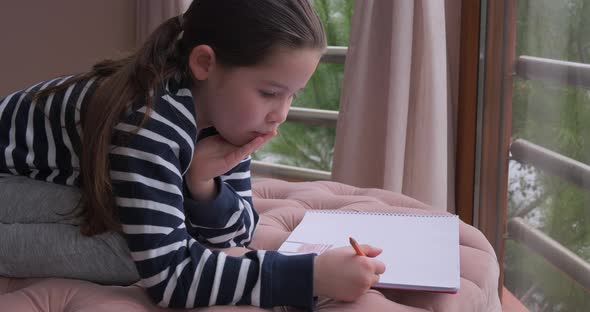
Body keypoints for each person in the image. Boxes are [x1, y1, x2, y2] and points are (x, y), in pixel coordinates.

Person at [0, 0, 386, 310]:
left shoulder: (225, 111)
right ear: (204, 63)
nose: (280, 115)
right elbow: (169, 278)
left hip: (46, 178)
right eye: (269, 93)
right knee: (129, 252)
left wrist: (202, 185)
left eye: (292, 96)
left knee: (157, 227)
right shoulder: (151, 122)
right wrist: (309, 276)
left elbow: (239, 233)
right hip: (9, 177)